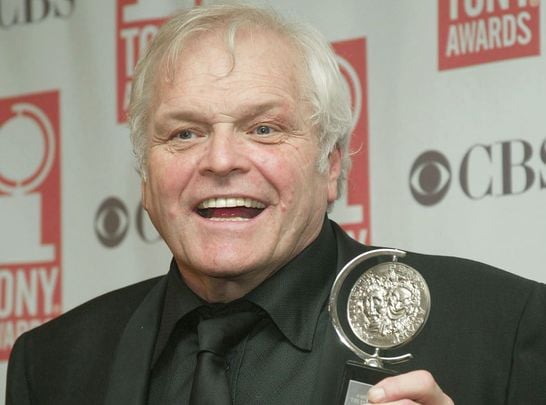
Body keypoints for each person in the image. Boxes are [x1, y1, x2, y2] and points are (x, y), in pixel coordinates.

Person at [6, 3, 546, 404]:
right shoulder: (51, 363)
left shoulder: (503, 329)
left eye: (264, 128)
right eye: (184, 134)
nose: (220, 160)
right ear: (145, 176)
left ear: (330, 164)